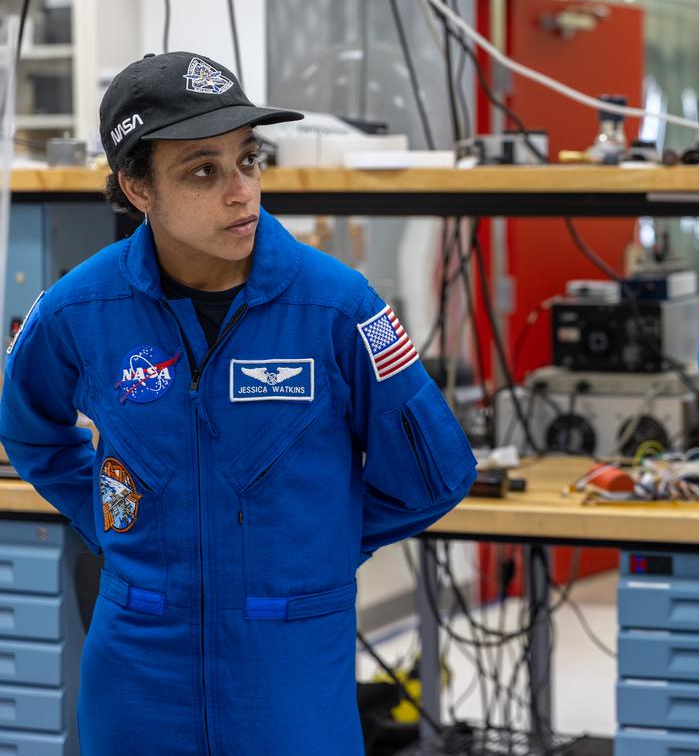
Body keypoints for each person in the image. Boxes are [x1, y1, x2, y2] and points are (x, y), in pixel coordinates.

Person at [0, 52, 477, 754]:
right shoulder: (80, 307)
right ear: (137, 186)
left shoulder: (338, 307)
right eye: (203, 170)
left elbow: (436, 472)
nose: (241, 191)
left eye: (248, 160)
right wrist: (110, 517)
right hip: (136, 670)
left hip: (287, 667)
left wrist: (318, 544)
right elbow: (29, 428)